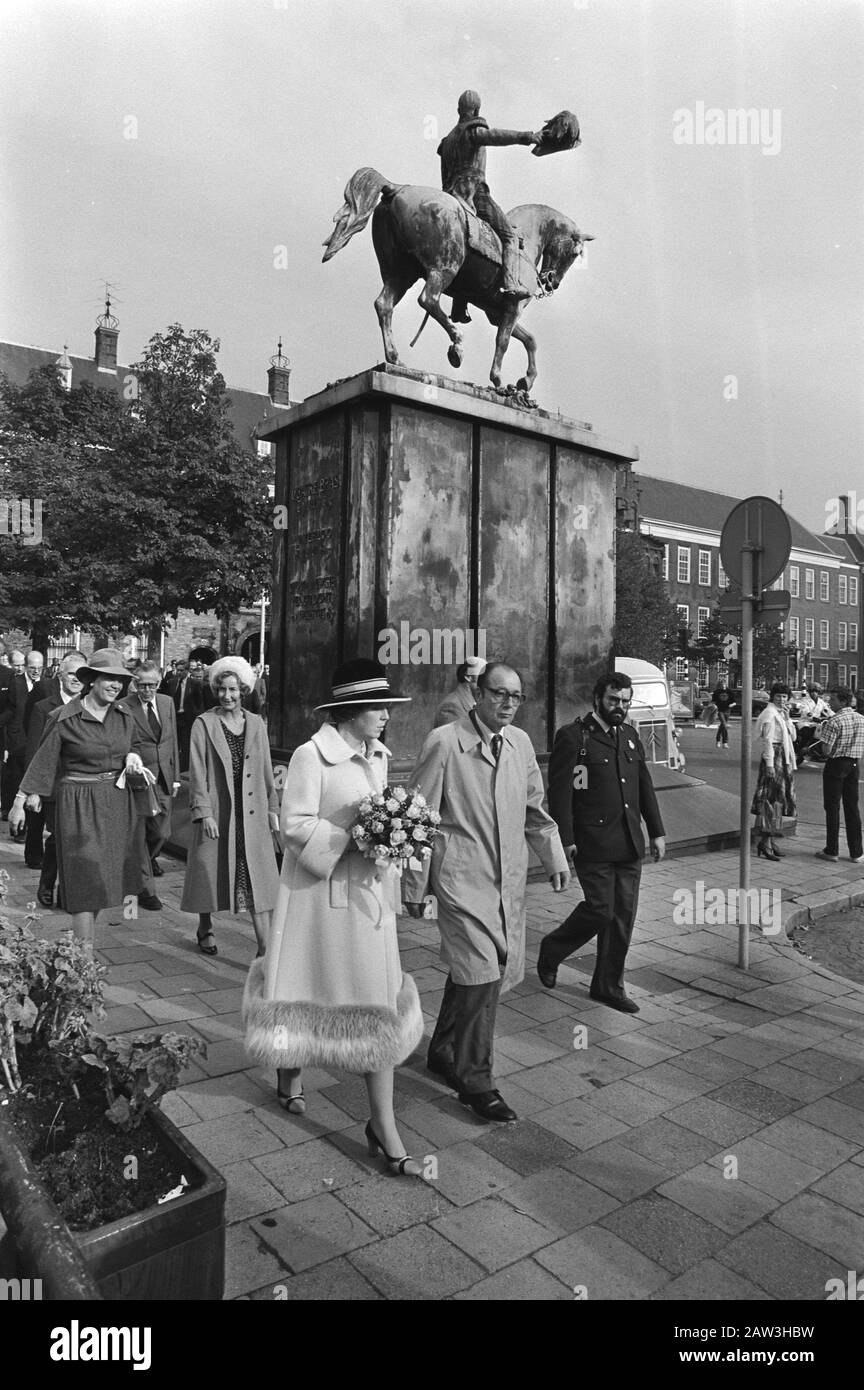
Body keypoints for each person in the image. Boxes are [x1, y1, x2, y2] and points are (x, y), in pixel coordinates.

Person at [243, 658, 427, 1178]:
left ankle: (383, 1124)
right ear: (349, 711)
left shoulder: (379, 755)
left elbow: (382, 815)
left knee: (375, 1003)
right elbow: (293, 824)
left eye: (388, 707)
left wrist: (394, 836)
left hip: (368, 901)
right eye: (377, 707)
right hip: (317, 897)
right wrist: (356, 834)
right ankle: (288, 1070)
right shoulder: (310, 755)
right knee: (302, 987)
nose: (386, 715)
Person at [403, 661, 569, 1122]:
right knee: (484, 973)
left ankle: (443, 1049)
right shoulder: (445, 742)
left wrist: (553, 855)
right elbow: (418, 818)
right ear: (478, 692)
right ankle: (476, 1081)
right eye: (499, 694)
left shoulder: (519, 744)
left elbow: (534, 808)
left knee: (478, 971)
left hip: (506, 882)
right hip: (460, 881)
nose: (508, 704)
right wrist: (414, 885)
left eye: (516, 697)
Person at [537, 671, 666, 1014]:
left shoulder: (630, 736)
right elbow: (561, 793)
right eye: (613, 700)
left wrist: (657, 830)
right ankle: (553, 949)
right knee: (601, 909)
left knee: (623, 916)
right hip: (591, 841)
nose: (619, 707)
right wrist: (564, 839)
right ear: (597, 699)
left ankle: (608, 986)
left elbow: (644, 786)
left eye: (625, 701)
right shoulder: (574, 736)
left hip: (628, 842)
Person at [9, 649, 146, 946]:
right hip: (78, 804)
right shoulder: (63, 717)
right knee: (83, 878)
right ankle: (83, 957)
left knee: (106, 876)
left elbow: (133, 743)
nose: (116, 686)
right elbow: (43, 760)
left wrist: (133, 756)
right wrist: (21, 800)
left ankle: (79, 943)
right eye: (109, 678)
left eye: (120, 680)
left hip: (117, 801)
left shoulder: (124, 715)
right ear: (92, 680)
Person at [180, 656, 279, 957]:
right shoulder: (204, 724)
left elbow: (266, 768)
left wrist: (272, 807)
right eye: (222, 689)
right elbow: (197, 770)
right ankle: (205, 926)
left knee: (255, 880)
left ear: (243, 690)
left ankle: (264, 949)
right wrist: (203, 811)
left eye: (233, 690)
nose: (227, 696)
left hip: (252, 812)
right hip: (219, 810)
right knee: (209, 873)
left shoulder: (256, 723)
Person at [438, 90, 541, 320]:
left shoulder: (447, 142)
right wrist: (528, 137)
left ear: (458, 110)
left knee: (465, 243)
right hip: (475, 195)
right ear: (476, 110)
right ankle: (511, 284)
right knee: (510, 237)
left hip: (451, 196)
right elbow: (496, 136)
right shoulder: (473, 131)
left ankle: (458, 305)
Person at [23, 652, 87, 899]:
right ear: (60, 675)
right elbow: (35, 751)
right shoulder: (44, 708)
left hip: (82, 786)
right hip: (55, 786)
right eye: (71, 673)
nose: (76, 679)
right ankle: (47, 884)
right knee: (57, 837)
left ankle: (70, 888)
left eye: (81, 674)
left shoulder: (93, 707)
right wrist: (33, 791)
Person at [120, 660, 181, 911]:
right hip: (141, 781)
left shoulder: (167, 702)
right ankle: (145, 891)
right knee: (140, 835)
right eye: (143, 685)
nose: (148, 691)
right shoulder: (124, 706)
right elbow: (124, 743)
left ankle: (136, 866)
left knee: (162, 834)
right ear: (135, 683)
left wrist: (176, 776)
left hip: (165, 779)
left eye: (153, 685)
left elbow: (173, 740)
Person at [813, 686, 864, 863]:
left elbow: (826, 750)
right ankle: (856, 852)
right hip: (854, 763)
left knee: (832, 807)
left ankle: (832, 849)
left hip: (836, 764)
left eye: (832, 700)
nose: (829, 703)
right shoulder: (861, 719)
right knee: (852, 807)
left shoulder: (834, 721)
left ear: (842, 701)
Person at [751, 682, 797, 862]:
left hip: (783, 756)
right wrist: (769, 764)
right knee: (770, 801)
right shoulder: (769, 714)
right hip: (774, 757)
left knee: (777, 800)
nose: (781, 699)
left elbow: (793, 737)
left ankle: (769, 840)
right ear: (773, 697)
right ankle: (765, 842)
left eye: (784, 696)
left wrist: (787, 719)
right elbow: (767, 741)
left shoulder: (780, 714)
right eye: (778, 696)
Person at [432, 656, 486, 727]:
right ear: (468, 677)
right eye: (482, 674)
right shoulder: (451, 707)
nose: (487, 679)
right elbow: (453, 737)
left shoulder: (473, 703)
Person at [712, 679, 733, 749]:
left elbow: (734, 702)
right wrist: (713, 708)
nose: (723, 685)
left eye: (724, 684)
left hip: (727, 710)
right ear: (719, 685)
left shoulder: (729, 691)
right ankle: (725, 742)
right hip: (720, 710)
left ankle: (718, 740)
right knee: (724, 724)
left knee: (722, 726)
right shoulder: (716, 692)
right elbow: (713, 702)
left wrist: (731, 705)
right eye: (722, 684)